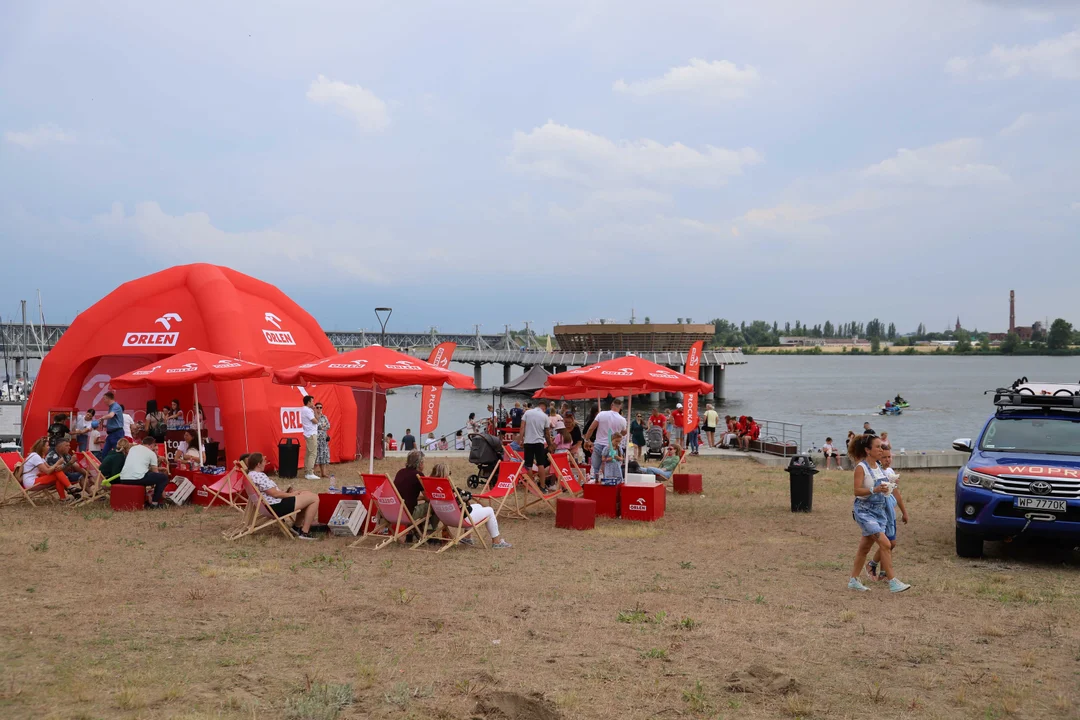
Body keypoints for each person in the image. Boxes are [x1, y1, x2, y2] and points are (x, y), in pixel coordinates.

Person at [846, 434, 911, 593]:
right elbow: (856, 491)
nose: (881, 450)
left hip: (879, 513)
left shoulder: (879, 468)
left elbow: (887, 490)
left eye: (882, 447)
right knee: (886, 543)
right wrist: (874, 489)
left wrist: (891, 485)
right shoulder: (861, 468)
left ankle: (853, 580)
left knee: (864, 548)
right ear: (868, 450)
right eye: (878, 447)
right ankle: (892, 581)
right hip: (865, 512)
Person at [428, 463, 512, 548]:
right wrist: (467, 495)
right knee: (490, 510)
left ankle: (467, 538)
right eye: (449, 473)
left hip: (445, 517)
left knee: (478, 506)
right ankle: (496, 542)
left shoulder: (431, 487)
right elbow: (466, 495)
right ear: (445, 475)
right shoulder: (450, 489)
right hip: (460, 519)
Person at [244, 452, 318, 540]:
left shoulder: (251, 475)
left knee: (305, 493)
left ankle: (297, 527)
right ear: (258, 464)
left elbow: (271, 493)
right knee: (314, 498)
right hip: (276, 506)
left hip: (272, 504)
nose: (266, 463)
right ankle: (304, 532)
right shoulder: (259, 476)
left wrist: (288, 493)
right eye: (264, 461)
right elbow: (274, 494)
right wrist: (291, 494)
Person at [868, 446, 909, 581]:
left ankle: (882, 571)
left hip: (890, 511)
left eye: (889, 457)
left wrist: (904, 512)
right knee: (888, 543)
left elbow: (896, 493)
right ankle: (874, 566)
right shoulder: (876, 472)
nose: (887, 460)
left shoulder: (890, 472)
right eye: (884, 457)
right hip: (881, 512)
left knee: (891, 543)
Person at [115, 437, 170, 509]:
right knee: (163, 478)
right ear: (152, 445)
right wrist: (161, 489)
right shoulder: (151, 453)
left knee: (146, 475)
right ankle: (154, 503)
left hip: (123, 478)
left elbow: (139, 465)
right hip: (138, 478)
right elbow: (155, 472)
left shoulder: (132, 449)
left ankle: (146, 499)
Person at [21, 436, 79, 500]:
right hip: (31, 482)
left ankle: (65, 495)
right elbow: (47, 471)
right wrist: (58, 463)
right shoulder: (35, 456)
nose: (49, 448)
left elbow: (50, 467)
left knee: (57, 472)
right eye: (47, 446)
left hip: (35, 479)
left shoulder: (39, 456)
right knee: (58, 474)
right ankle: (69, 488)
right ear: (42, 447)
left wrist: (58, 467)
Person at [584, 398, 627, 481]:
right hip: (612, 447)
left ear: (611, 405)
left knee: (595, 469)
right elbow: (623, 433)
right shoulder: (622, 420)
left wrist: (586, 440)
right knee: (609, 469)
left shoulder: (601, 414)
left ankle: (595, 483)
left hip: (599, 444)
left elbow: (591, 429)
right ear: (620, 407)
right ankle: (609, 483)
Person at [519, 399, 553, 491]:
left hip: (528, 442)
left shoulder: (527, 413)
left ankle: (531, 486)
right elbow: (546, 433)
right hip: (539, 442)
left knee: (528, 465)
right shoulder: (545, 416)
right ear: (545, 408)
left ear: (538, 405)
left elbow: (522, 427)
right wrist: (549, 444)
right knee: (541, 464)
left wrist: (520, 439)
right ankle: (542, 486)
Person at [393, 450, 425, 515]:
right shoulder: (418, 475)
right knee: (432, 507)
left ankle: (419, 525)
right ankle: (430, 525)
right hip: (408, 512)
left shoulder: (400, 472)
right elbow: (428, 498)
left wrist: (421, 498)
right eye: (423, 463)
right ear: (420, 464)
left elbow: (406, 495)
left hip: (395, 510)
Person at [99, 391, 126, 457]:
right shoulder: (111, 407)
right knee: (104, 453)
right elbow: (114, 421)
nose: (104, 401)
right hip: (111, 434)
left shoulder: (115, 406)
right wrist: (106, 426)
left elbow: (111, 415)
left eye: (104, 399)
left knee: (118, 453)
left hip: (117, 433)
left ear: (108, 398)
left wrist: (102, 418)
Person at [299, 395, 319, 480]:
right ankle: (310, 472)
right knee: (312, 453)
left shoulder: (305, 409)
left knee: (308, 453)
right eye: (312, 401)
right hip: (311, 434)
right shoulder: (307, 410)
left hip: (308, 433)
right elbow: (315, 421)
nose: (313, 403)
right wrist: (316, 413)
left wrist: (315, 411)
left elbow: (316, 419)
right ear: (309, 402)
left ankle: (307, 471)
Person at [314, 401, 331, 479]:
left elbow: (328, 426)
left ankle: (323, 473)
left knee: (323, 456)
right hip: (317, 439)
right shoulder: (314, 417)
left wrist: (322, 426)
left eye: (320, 407)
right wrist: (322, 426)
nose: (319, 409)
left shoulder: (324, 417)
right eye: (317, 407)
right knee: (316, 456)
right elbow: (317, 426)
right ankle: (312, 472)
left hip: (324, 439)